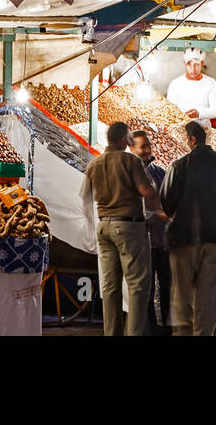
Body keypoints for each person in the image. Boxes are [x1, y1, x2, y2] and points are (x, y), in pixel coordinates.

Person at [159, 121, 216, 335]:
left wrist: (176, 215)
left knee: (182, 297)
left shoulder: (179, 165)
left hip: (184, 238)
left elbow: (166, 200)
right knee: (209, 298)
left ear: (192, 140)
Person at [80, 121, 156, 336]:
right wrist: (154, 191)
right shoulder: (129, 160)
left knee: (110, 287)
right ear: (124, 139)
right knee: (137, 286)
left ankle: (111, 333)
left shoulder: (95, 163)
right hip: (128, 227)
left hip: (103, 226)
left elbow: (85, 198)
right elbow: (145, 191)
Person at [130, 130, 172, 334]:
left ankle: (167, 325)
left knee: (167, 284)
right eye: (142, 146)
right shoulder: (129, 174)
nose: (147, 150)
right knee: (146, 288)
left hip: (162, 240)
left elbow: (168, 200)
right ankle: (149, 328)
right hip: (142, 239)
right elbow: (132, 207)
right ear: (132, 148)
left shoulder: (159, 172)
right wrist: (156, 214)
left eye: (148, 146)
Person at [166, 49, 216, 126]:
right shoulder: (175, 84)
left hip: (204, 129)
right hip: (181, 128)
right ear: (184, 63)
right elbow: (169, 111)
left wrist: (199, 113)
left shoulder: (210, 82)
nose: (193, 69)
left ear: (202, 63)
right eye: (189, 64)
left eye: (196, 64)